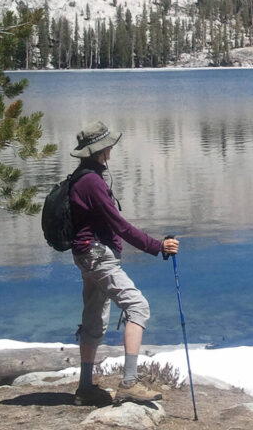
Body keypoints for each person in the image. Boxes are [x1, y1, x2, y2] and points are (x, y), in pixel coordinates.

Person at [67, 121, 180, 407]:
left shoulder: (84, 176)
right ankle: (129, 382)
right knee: (137, 306)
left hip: (87, 254)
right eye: (109, 146)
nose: (111, 150)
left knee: (94, 319)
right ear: (101, 149)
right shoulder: (92, 181)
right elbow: (119, 225)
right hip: (96, 255)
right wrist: (158, 246)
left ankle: (84, 387)